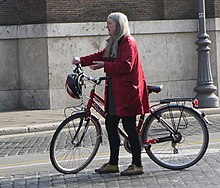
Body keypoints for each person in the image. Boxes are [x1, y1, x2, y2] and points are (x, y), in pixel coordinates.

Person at [72, 12, 150, 176]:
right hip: (116, 92)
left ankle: (137, 164)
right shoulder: (114, 41)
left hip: (128, 92)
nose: (106, 26)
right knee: (111, 124)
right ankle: (113, 163)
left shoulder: (128, 42)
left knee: (130, 127)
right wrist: (82, 60)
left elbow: (126, 66)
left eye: (109, 23)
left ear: (118, 26)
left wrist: (104, 65)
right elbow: (101, 56)